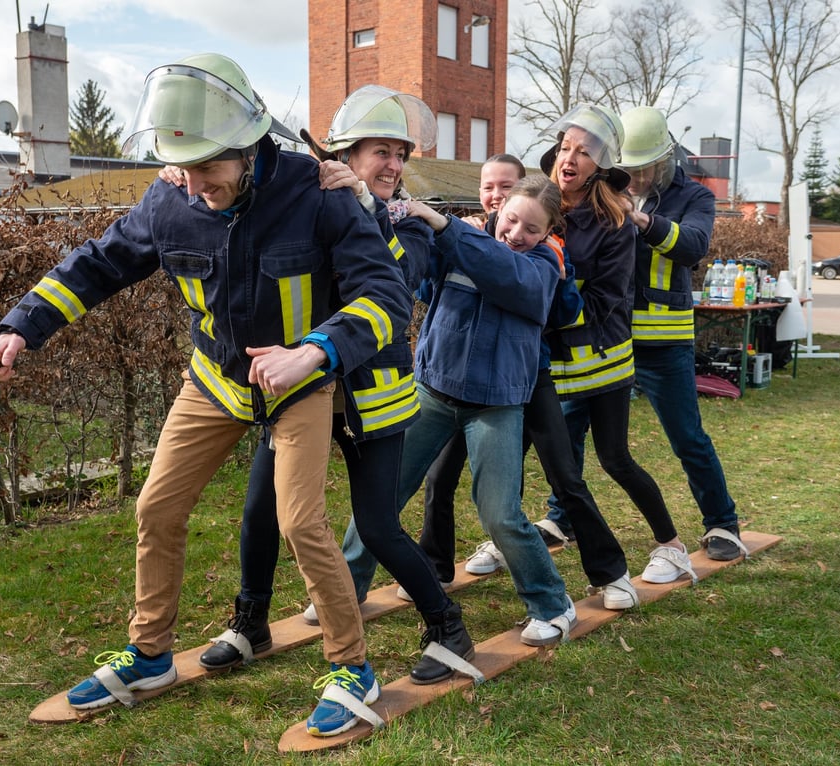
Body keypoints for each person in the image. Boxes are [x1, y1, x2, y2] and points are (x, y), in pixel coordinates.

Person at [0, 54, 413, 738]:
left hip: (300, 382)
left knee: (301, 522)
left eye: (207, 167)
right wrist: (22, 325)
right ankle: (150, 654)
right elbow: (100, 262)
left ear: (247, 148)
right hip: (213, 381)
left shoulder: (320, 194)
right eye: (180, 167)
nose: (192, 183)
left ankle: (351, 667)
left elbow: (386, 296)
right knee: (156, 506)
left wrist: (315, 351)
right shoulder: (171, 196)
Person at [191, 85, 478, 690]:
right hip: (304, 390)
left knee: (375, 524)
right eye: (381, 151)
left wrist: (366, 211)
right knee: (260, 509)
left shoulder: (409, 223)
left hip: (372, 398)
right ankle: (250, 622)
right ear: (346, 153)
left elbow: (398, 282)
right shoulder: (316, 201)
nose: (394, 166)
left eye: (401, 154)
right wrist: (189, 163)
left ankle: (448, 628)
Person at [351, 174, 579, 647]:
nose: (517, 234)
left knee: (500, 514)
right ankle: (344, 590)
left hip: (495, 404)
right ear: (500, 211)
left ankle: (553, 603)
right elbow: (414, 274)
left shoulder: (542, 268)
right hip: (432, 392)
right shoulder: (469, 240)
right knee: (381, 497)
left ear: (550, 232)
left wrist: (446, 227)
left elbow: (506, 275)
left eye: (532, 229)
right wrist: (376, 211)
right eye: (511, 220)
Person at [534, 104, 698, 586]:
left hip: (602, 365)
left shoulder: (613, 223)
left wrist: (547, 303)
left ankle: (671, 545)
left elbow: (607, 300)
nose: (570, 158)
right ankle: (545, 543)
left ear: (600, 167)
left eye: (583, 153)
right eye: (565, 148)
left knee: (615, 459)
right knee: (559, 470)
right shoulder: (540, 207)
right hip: (552, 368)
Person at [617, 106, 747, 561]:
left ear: (664, 158)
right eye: (626, 167)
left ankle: (722, 525)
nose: (633, 177)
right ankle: (561, 516)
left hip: (664, 344)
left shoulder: (695, 198)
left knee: (687, 438)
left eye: (641, 168)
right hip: (611, 338)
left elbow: (694, 246)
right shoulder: (610, 188)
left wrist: (645, 222)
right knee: (572, 429)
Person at [414, 154, 527, 588]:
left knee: (510, 490)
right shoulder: (461, 236)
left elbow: (552, 303)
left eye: (506, 187)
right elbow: (428, 290)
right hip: (450, 385)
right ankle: (436, 567)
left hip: (511, 387)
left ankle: (595, 572)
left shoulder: (538, 248)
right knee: (438, 478)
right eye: (487, 187)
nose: (495, 196)